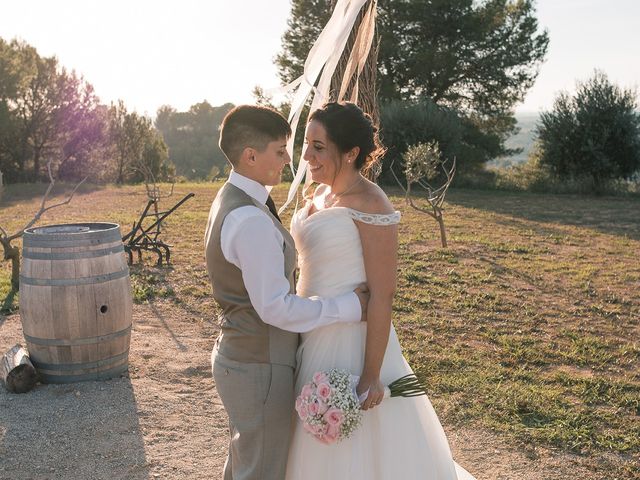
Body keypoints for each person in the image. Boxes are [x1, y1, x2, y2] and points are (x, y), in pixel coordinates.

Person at [285, 102, 476, 479]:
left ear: (351, 153)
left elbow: (383, 294)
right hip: (310, 332)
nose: (306, 155)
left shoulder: (372, 204)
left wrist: (371, 374)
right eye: (306, 144)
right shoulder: (317, 196)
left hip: (352, 345)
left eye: (319, 147)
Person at [204, 105, 369, 480]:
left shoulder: (230, 199)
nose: (288, 161)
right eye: (280, 151)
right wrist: (349, 307)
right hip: (258, 366)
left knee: (246, 465)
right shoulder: (249, 220)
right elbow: (275, 308)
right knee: (260, 471)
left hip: (240, 356)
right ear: (250, 156)